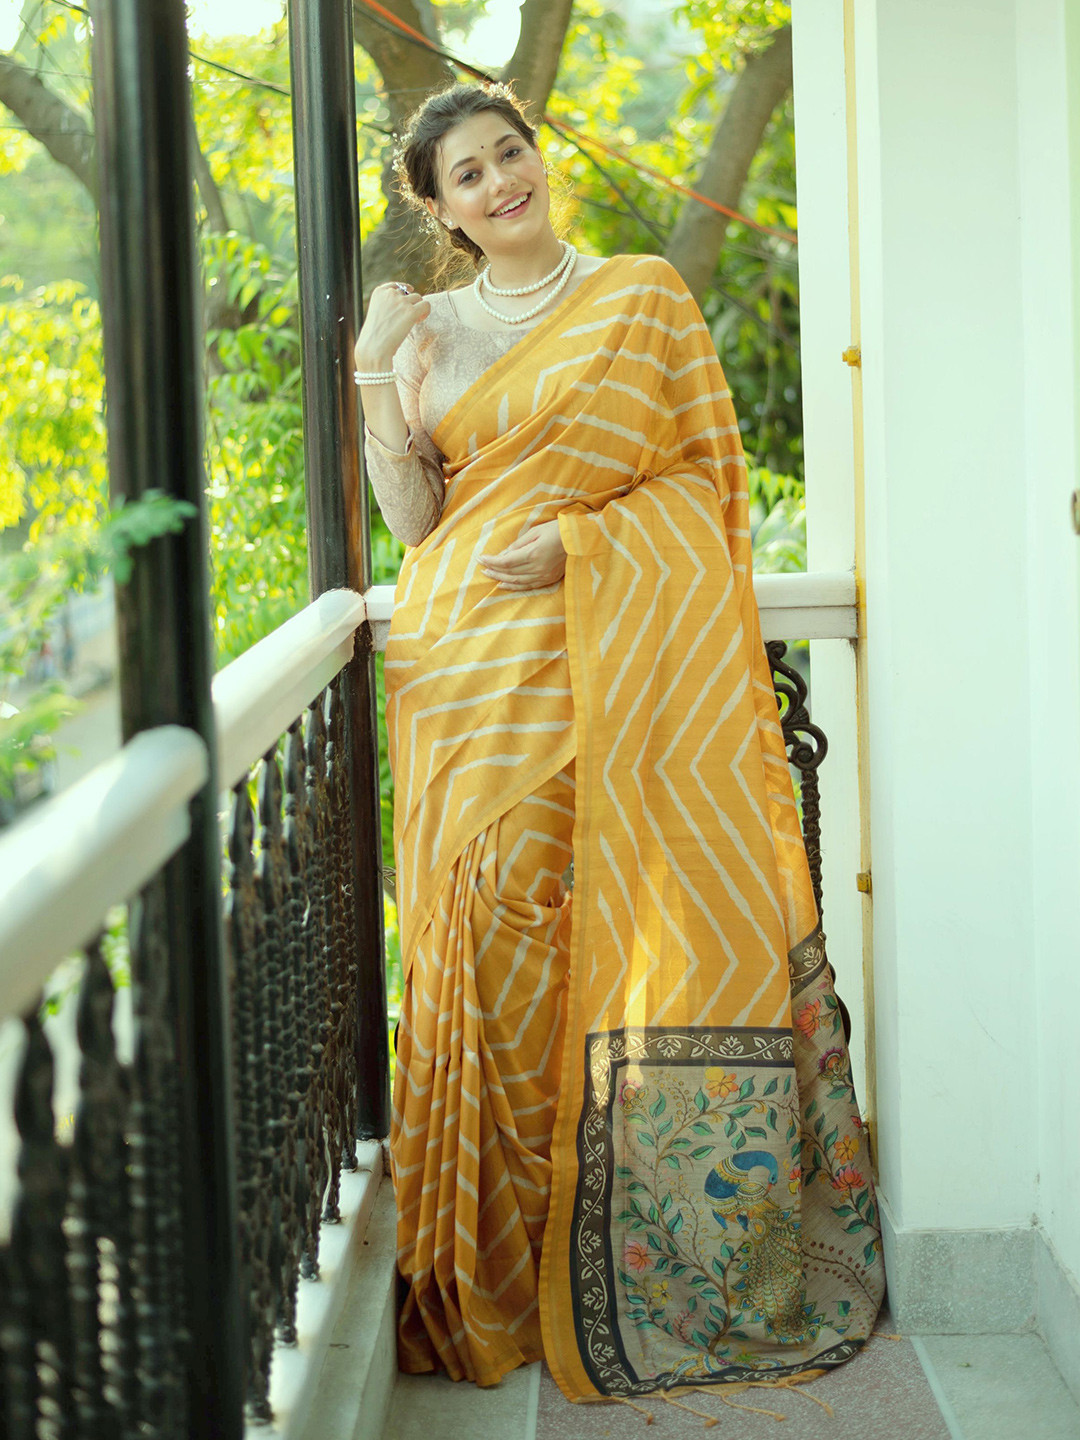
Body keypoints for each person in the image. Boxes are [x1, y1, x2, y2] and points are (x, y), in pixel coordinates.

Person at [355, 80, 884, 1412]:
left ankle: (621, 1247)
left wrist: (586, 544)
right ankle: (512, 1260)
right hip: (464, 679)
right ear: (442, 211)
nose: (501, 182)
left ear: (537, 158)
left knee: (599, 928)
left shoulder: (641, 297)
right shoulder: (431, 332)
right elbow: (414, 521)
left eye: (510, 153)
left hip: (604, 661)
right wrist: (372, 370)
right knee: (489, 942)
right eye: (468, 176)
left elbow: (704, 484)